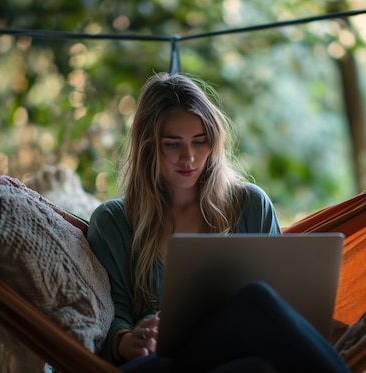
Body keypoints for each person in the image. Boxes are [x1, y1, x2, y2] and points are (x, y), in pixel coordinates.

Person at [87, 72, 350, 372]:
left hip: (233, 357)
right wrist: (126, 340)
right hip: (157, 364)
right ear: (148, 147)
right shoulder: (113, 222)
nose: (189, 157)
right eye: (173, 144)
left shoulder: (250, 205)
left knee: (258, 367)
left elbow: (285, 308)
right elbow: (110, 312)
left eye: (200, 142)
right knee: (257, 298)